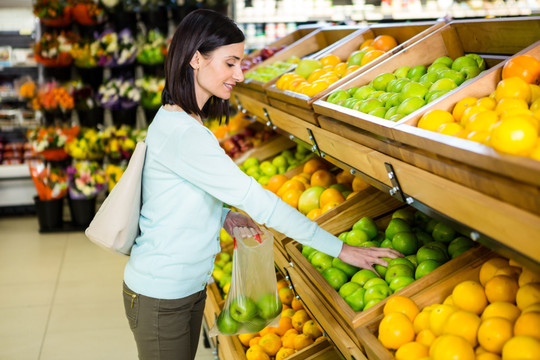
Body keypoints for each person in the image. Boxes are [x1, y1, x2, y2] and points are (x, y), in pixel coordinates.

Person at [122, 9, 402, 360]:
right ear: (196, 59)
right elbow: (260, 201)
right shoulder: (184, 132)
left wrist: (222, 214)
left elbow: (173, 192)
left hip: (182, 288)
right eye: (230, 63)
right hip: (162, 295)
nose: (240, 74)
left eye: (241, 63)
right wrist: (341, 249)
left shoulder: (181, 119)